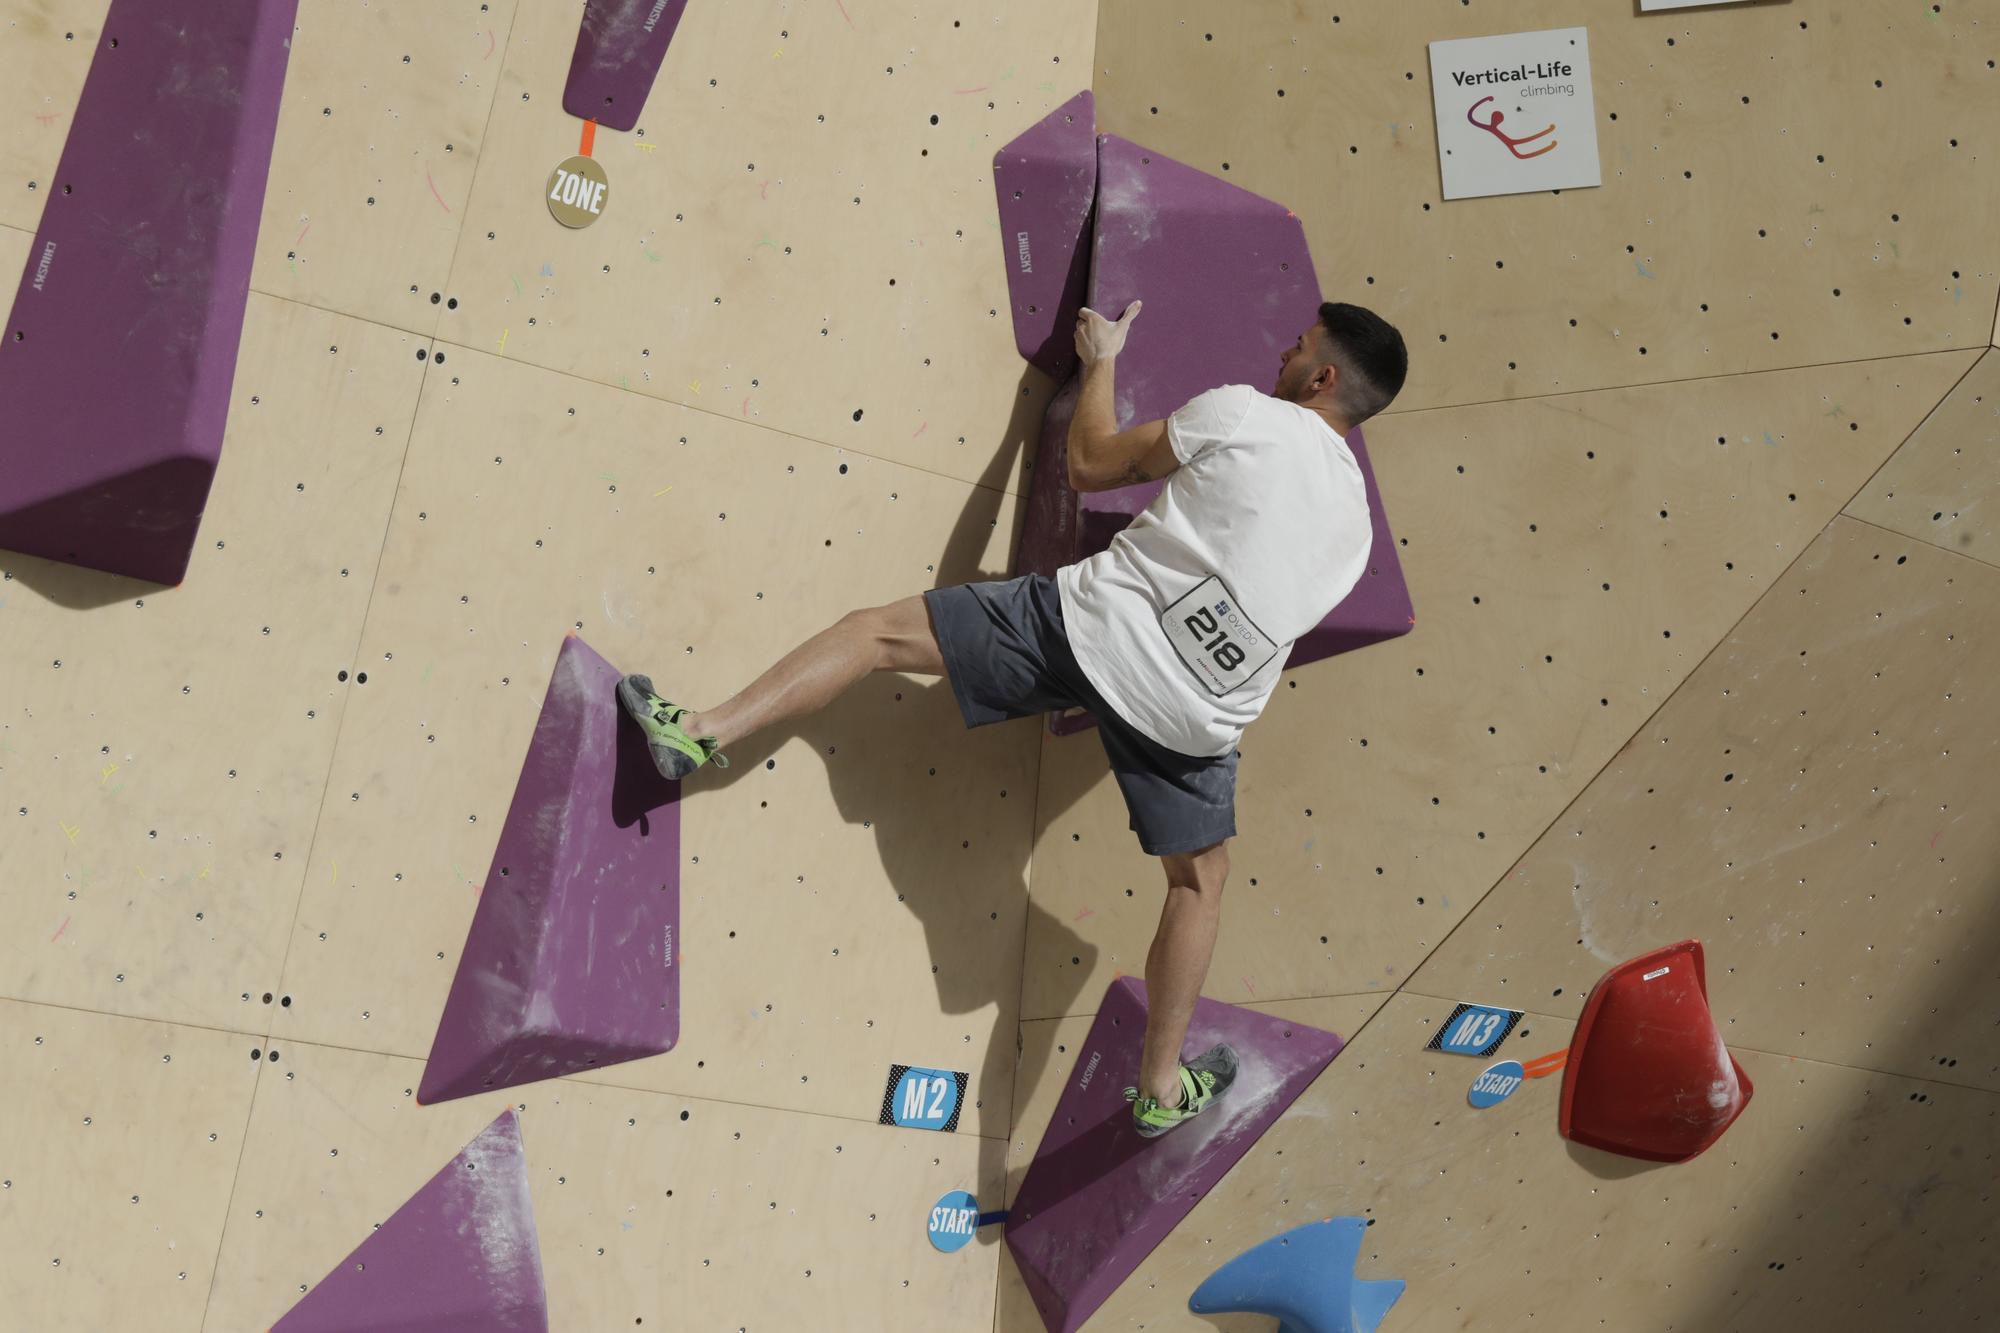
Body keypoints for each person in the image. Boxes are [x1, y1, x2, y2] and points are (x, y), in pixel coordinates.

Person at [620, 298, 1408, 1139]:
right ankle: (1159, 1089)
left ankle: (698, 731)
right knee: (1199, 885)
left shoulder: (1247, 413)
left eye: (1298, 347)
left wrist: (1102, 359)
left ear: (1322, 377)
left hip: (1090, 633)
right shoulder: (1358, 531)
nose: (1282, 351)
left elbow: (1090, 463)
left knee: (875, 633)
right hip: (1198, 721)